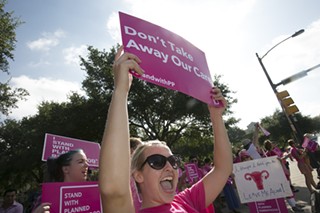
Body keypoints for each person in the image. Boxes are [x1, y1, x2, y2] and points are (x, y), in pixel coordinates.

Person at [98, 46, 233, 212]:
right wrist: (121, 90)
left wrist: (217, 116)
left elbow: (223, 168)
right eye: (157, 162)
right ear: (138, 175)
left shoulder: (187, 201)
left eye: (173, 161)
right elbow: (113, 190)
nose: (170, 167)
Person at [264, 140, 304, 212]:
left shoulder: (267, 153)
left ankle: (294, 204)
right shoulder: (272, 152)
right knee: (287, 189)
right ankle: (294, 206)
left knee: (288, 189)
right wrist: (287, 156)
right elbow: (279, 160)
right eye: (271, 143)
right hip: (280, 172)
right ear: (270, 145)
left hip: (277, 173)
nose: (273, 144)